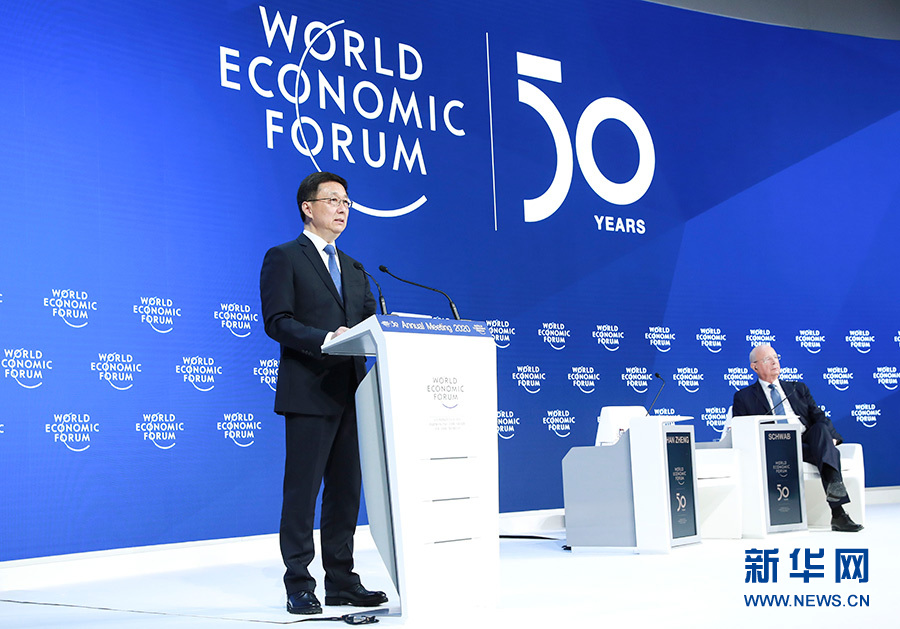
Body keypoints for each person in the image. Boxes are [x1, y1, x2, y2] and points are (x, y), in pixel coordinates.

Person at [260, 171, 385, 615]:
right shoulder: (284, 257)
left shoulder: (355, 268)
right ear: (307, 207)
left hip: (352, 393)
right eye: (333, 200)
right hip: (309, 390)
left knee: (345, 493)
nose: (342, 208)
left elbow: (372, 325)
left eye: (346, 201)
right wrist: (325, 339)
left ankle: (341, 580)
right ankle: (299, 583)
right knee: (303, 493)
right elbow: (277, 321)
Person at [732, 344, 862, 532]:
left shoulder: (797, 388)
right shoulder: (743, 397)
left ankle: (836, 492)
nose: (775, 362)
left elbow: (819, 416)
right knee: (825, 452)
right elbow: (742, 429)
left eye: (776, 357)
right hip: (777, 445)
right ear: (755, 367)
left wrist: (831, 439)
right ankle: (838, 514)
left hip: (808, 441)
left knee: (820, 430)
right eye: (768, 359)